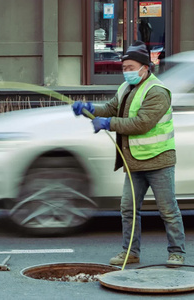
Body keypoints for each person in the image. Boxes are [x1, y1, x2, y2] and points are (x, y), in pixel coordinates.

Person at [71, 41, 186, 266]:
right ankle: (130, 252)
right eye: (124, 68)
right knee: (128, 209)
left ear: (145, 67)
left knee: (168, 210)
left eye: (131, 67)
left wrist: (108, 123)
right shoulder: (126, 88)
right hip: (134, 161)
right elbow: (111, 108)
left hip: (158, 160)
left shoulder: (158, 92)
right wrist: (89, 109)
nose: (127, 72)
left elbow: (141, 123)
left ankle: (177, 252)